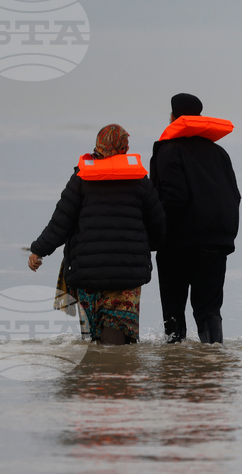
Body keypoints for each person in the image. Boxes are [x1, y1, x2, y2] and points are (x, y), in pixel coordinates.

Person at [28, 125, 166, 346]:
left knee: (93, 341)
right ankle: (115, 362)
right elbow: (158, 224)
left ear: (98, 145)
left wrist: (39, 250)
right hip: (127, 274)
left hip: (87, 273)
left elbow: (61, 222)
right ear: (124, 147)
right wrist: (144, 248)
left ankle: (99, 364)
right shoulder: (140, 180)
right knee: (118, 337)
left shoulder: (81, 179)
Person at [150, 93, 241, 344]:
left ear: (172, 117)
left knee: (174, 312)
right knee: (209, 310)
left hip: (178, 243)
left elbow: (173, 198)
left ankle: (174, 361)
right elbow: (235, 195)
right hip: (216, 241)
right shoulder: (219, 153)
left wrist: (154, 233)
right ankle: (213, 358)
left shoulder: (169, 150)